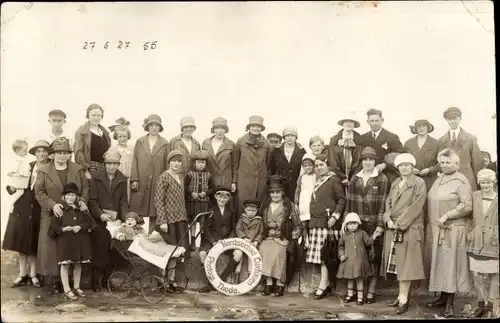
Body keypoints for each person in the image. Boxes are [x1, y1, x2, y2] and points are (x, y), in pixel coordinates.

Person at [35, 137, 89, 297]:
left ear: (69, 154)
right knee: (51, 248)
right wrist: (53, 205)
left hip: (73, 215)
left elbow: (85, 188)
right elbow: (39, 192)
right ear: (53, 154)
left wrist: (80, 202)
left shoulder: (77, 170)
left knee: (71, 247)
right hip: (52, 215)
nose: (61, 156)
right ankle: (53, 282)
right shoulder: (44, 170)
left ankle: (73, 283)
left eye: (65, 153)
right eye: (58, 153)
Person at [426, 148, 473, 317]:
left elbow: (467, 205)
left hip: (453, 230)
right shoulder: (440, 179)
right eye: (442, 162)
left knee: (452, 264)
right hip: (438, 230)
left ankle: (451, 304)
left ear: (456, 164)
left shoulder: (461, 181)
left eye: (448, 163)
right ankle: (443, 297)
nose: (445, 165)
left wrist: (447, 214)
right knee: (441, 263)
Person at [380, 153, 427, 315]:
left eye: (407, 165)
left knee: (406, 265)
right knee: (398, 265)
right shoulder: (396, 183)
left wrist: (399, 223)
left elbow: (416, 206)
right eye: (401, 166)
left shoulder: (419, 183)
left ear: (412, 167)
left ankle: (404, 299)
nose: (404, 168)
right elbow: (388, 204)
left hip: (409, 228)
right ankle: (400, 295)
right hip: (393, 228)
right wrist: (387, 220)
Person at [2, 140, 51, 289]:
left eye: (44, 151)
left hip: (38, 208)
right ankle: (22, 274)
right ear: (34, 153)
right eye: (38, 151)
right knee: (21, 240)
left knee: (34, 241)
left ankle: (33, 274)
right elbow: (15, 184)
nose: (41, 154)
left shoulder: (50, 168)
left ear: (48, 153)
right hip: (22, 208)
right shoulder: (28, 166)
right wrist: (11, 186)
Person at [345, 146, 390, 304]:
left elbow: (384, 203)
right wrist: (347, 222)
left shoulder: (382, 179)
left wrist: (380, 225)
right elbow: (350, 203)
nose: (368, 162)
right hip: (357, 224)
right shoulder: (355, 179)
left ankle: (371, 291)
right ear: (361, 162)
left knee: (373, 257)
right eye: (365, 160)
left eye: (371, 159)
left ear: (375, 161)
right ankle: (359, 292)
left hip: (373, 224)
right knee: (358, 258)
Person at [306, 154, 346, 300]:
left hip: (328, 223)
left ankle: (323, 285)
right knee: (321, 257)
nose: (318, 168)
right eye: (316, 166)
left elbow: (341, 200)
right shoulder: (319, 181)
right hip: (317, 223)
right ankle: (326, 284)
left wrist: (335, 216)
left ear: (328, 166)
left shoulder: (333, 180)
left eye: (321, 165)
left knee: (325, 256)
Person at [88, 149, 129, 292]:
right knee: (99, 248)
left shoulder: (123, 179)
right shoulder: (96, 177)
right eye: (109, 163)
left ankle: (107, 279)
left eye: (115, 164)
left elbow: (123, 202)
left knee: (113, 249)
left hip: (114, 220)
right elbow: (92, 201)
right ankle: (95, 280)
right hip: (99, 220)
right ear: (104, 164)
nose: (112, 167)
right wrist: (100, 215)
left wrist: (122, 219)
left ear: (118, 165)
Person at [47, 182, 93, 301]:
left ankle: (76, 287)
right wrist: (63, 229)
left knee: (78, 264)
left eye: (73, 195)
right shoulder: (59, 210)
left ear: (76, 197)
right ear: (64, 197)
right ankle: (67, 289)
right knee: (65, 264)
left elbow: (90, 223)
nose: (70, 198)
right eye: (68, 195)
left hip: (79, 241)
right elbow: (53, 228)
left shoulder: (81, 209)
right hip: (65, 241)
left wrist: (80, 227)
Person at [259, 178, 301, 297]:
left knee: (279, 253)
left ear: (282, 193)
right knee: (263, 249)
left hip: (282, 237)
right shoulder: (265, 206)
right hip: (268, 237)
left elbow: (296, 223)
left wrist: (296, 232)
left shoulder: (288, 205)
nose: (275, 195)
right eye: (272, 192)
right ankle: (268, 282)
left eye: (278, 192)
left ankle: (279, 283)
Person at [466, 169, 498, 318]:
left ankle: (491, 306)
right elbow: (466, 209)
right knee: (476, 274)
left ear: (494, 182)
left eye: (489, 182)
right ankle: (481, 304)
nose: (486, 185)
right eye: (483, 182)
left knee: (494, 274)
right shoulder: (475, 196)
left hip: (493, 241)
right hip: (476, 239)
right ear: (479, 183)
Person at [130, 114, 170, 234]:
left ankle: (152, 237)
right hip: (141, 181)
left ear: (160, 127)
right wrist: (134, 179)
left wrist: (165, 182)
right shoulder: (140, 142)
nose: (154, 128)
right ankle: (136, 236)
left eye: (156, 125)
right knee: (138, 208)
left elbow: (167, 164)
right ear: (147, 127)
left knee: (155, 209)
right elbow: (135, 160)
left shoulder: (165, 143)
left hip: (158, 182)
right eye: (151, 125)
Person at [197, 187, 238, 294]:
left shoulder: (232, 211)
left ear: (228, 199)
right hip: (212, 240)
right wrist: (215, 241)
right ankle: (208, 282)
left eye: (225, 198)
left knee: (238, 254)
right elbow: (207, 229)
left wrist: (228, 241)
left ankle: (220, 280)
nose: (222, 200)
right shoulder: (210, 210)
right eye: (220, 197)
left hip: (227, 241)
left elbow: (234, 228)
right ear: (216, 197)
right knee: (202, 254)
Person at [154, 150, 190, 267]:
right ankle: (164, 280)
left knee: (181, 249)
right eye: (174, 161)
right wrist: (163, 221)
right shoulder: (164, 177)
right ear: (169, 162)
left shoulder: (180, 177)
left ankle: (174, 279)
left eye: (179, 161)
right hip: (169, 221)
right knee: (170, 249)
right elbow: (158, 200)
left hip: (181, 219)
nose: (176, 164)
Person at [233, 115, 273, 214]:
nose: (255, 128)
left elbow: (267, 164)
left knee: (259, 207)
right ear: (249, 127)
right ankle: (241, 228)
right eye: (253, 126)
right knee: (242, 206)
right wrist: (234, 181)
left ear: (261, 128)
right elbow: (235, 163)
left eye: (258, 126)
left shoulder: (267, 145)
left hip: (260, 182)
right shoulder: (240, 142)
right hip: (244, 182)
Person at [437, 107, 483, 189]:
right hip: (448, 179)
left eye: (454, 118)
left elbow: (477, 162)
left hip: (467, 178)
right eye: (449, 119)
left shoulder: (470, 138)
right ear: (446, 120)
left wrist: (479, 180)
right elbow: (440, 161)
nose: (452, 121)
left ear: (460, 118)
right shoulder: (441, 140)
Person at [337, 212, 374, 306]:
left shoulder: (362, 233)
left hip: (359, 261)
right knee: (349, 278)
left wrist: (374, 236)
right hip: (348, 260)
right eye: (350, 223)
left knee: (359, 278)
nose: (352, 226)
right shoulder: (345, 235)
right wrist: (341, 255)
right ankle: (350, 294)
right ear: (346, 225)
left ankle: (360, 297)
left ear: (358, 224)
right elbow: (340, 246)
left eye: (354, 223)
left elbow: (368, 242)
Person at [361, 109, 405, 184]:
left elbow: (400, 155)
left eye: (377, 120)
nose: (374, 123)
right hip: (368, 172)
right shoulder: (363, 138)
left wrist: (385, 165)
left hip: (387, 173)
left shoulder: (392, 137)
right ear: (367, 122)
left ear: (382, 120)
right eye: (371, 121)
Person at [184, 150, 215, 250]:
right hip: (192, 202)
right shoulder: (189, 174)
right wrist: (191, 192)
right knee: (193, 221)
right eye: (199, 162)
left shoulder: (208, 175)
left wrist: (205, 193)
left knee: (203, 222)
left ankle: (202, 241)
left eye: (203, 163)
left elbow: (213, 188)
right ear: (194, 163)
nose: (201, 165)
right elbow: (184, 186)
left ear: (206, 164)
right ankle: (192, 241)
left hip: (204, 203)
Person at [74, 103, 112, 179]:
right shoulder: (81, 131)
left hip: (105, 168)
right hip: (91, 168)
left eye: (98, 115)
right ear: (88, 115)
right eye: (93, 115)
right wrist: (85, 170)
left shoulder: (104, 132)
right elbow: (78, 153)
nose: (96, 118)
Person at [202, 117, 237, 193]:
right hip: (209, 182)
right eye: (217, 128)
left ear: (225, 130)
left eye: (222, 128)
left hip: (225, 182)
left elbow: (235, 165)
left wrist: (234, 182)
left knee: (223, 202)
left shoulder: (231, 144)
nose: (220, 131)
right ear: (213, 130)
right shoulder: (206, 143)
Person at [270, 126, 306, 201]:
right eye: (287, 135)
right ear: (284, 137)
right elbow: (272, 167)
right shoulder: (277, 150)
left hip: (295, 183)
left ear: (296, 137)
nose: (290, 138)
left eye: (292, 135)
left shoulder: (301, 151)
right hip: (280, 183)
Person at [233, 199, 264, 283]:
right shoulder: (242, 219)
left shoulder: (259, 220)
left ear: (257, 210)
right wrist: (243, 238)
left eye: (253, 211)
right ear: (245, 210)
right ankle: (236, 276)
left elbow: (261, 232)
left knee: (253, 258)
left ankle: (251, 277)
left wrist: (256, 241)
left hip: (253, 243)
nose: (251, 212)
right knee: (238, 254)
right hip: (242, 242)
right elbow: (238, 229)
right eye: (249, 210)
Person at [328, 114, 364, 189]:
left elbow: (359, 162)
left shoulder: (359, 140)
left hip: (355, 178)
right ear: (342, 123)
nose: (348, 123)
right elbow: (332, 161)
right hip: (338, 178)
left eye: (351, 121)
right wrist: (342, 178)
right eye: (346, 121)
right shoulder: (334, 140)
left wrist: (353, 178)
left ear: (354, 124)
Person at [403, 119, 440, 191]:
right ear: (415, 129)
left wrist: (430, 170)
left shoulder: (436, 143)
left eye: (424, 126)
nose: (421, 128)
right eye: (419, 126)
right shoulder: (408, 143)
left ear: (428, 128)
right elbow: (404, 160)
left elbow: (441, 162)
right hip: (412, 179)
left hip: (430, 180)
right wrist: (411, 169)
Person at [294, 154, 316, 247]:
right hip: (303, 202)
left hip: (313, 201)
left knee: (312, 222)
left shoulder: (316, 176)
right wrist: (296, 203)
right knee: (304, 223)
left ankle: (313, 241)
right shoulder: (301, 177)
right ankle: (305, 241)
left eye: (310, 165)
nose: (308, 167)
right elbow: (297, 190)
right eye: (305, 165)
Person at [109, 118, 133, 201]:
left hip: (128, 179)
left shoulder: (132, 149)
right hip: (116, 179)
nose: (123, 138)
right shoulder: (112, 149)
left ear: (128, 136)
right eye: (120, 136)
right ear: (116, 137)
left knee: (127, 198)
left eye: (125, 136)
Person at [6, 139, 31, 213]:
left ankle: (11, 203)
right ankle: (11, 203)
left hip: (21, 179)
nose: (26, 152)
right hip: (18, 180)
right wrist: (15, 173)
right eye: (24, 151)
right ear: (17, 151)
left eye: (26, 150)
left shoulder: (24, 158)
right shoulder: (17, 159)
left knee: (20, 192)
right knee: (20, 192)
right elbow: (16, 169)